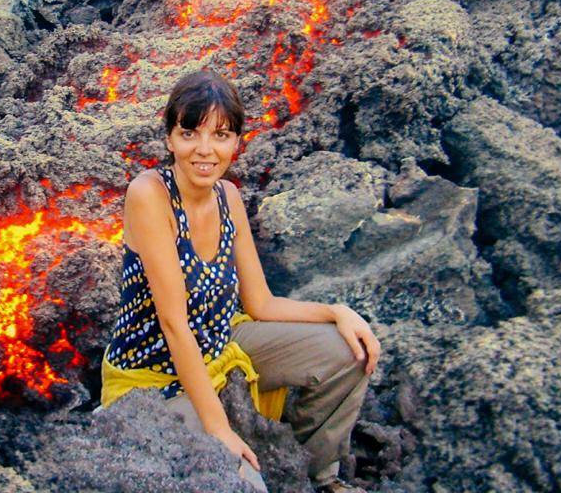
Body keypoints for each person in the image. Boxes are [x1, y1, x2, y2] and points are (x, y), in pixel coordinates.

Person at [101, 70, 380, 492]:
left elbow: (261, 303)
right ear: (170, 139)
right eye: (190, 133)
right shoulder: (149, 194)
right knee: (240, 481)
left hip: (220, 344)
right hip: (155, 375)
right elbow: (174, 325)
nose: (205, 149)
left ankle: (315, 477)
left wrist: (337, 312)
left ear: (236, 142)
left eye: (221, 135)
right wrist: (220, 430)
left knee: (348, 351)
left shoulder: (229, 197)